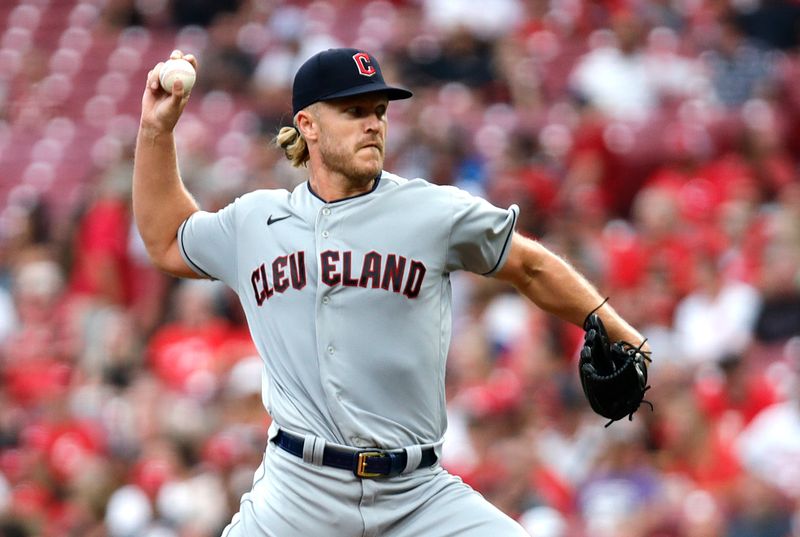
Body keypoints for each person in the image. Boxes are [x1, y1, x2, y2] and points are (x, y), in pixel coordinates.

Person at [133, 47, 650, 537]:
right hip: (298, 494)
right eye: (354, 110)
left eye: (379, 111)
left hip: (417, 493)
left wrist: (618, 329)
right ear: (307, 125)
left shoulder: (431, 212)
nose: (373, 123)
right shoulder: (255, 222)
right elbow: (166, 239)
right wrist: (157, 129)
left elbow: (529, 265)